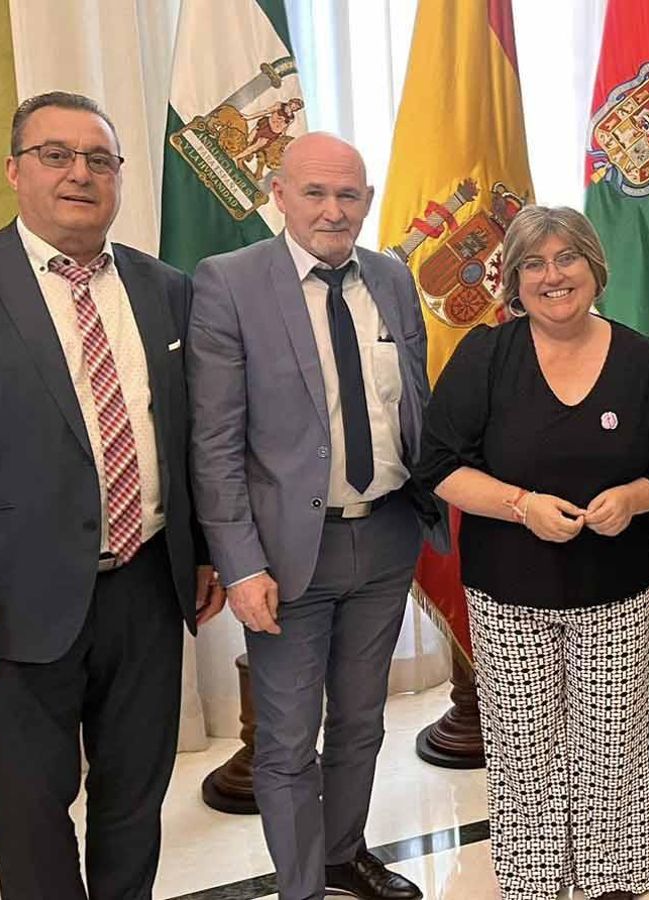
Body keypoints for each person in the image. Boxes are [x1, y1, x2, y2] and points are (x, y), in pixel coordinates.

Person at [0, 91, 222, 899]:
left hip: (144, 590)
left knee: (135, 801)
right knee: (31, 811)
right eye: (56, 155)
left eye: (99, 159)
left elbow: (188, 436)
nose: (80, 174)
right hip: (7, 606)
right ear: (14, 170)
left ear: (118, 178)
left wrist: (202, 552)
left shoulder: (165, 287)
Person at [414, 205, 649, 900]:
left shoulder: (642, 357)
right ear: (513, 279)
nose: (553, 276)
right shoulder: (485, 356)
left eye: (566, 258)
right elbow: (439, 466)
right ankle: (535, 881)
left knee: (612, 745)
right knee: (523, 751)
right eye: (534, 264)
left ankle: (610, 880)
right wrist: (521, 505)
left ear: (593, 266)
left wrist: (633, 497)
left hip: (616, 591)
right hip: (508, 591)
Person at [187, 132, 440, 900]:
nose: (334, 211)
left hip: (388, 535)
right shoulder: (229, 283)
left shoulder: (394, 279)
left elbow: (415, 406)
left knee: (363, 720)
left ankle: (342, 856)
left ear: (366, 200)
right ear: (279, 194)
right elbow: (216, 439)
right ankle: (300, 889)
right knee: (289, 740)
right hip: (288, 555)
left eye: (350, 195)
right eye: (316, 193)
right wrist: (240, 563)